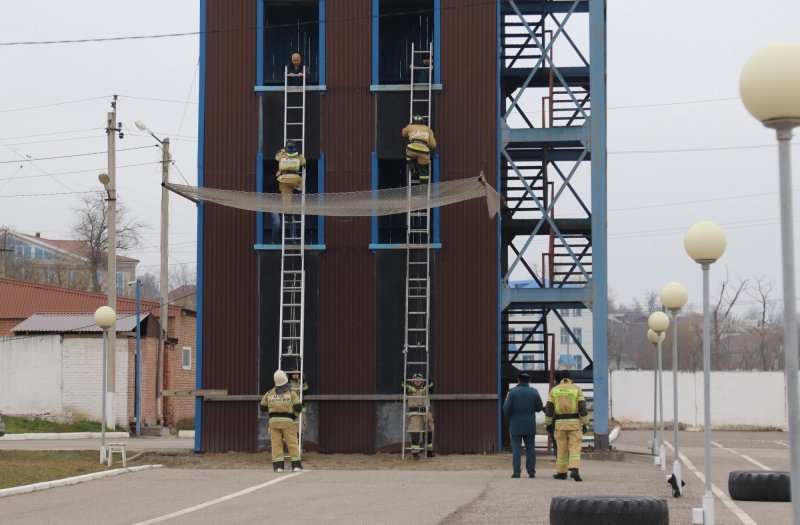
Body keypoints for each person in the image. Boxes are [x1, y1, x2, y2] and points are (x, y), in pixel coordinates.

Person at [544, 369, 590, 482]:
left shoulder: (554, 390)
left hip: (559, 424)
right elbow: (583, 408)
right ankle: (574, 469)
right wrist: (585, 424)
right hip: (574, 424)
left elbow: (549, 409)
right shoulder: (576, 389)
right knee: (575, 447)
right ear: (570, 378)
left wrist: (548, 423)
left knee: (561, 449)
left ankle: (561, 473)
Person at [260, 369, 303, 472]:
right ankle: (296, 466)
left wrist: (272, 411)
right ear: (285, 379)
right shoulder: (291, 392)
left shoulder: (269, 393)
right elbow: (298, 407)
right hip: (288, 422)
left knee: (276, 445)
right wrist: (294, 416)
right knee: (292, 443)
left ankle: (278, 467)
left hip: (273, 422)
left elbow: (262, 408)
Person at [503, 370, 544, 478]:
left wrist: (509, 419)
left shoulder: (511, 392)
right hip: (530, 425)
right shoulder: (534, 392)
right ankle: (531, 472)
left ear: (518, 380)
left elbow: (506, 409)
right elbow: (539, 408)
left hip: (515, 424)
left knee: (516, 448)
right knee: (530, 448)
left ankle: (516, 472)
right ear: (529, 380)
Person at [274, 140, 306, 242]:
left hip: (285, 179)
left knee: (286, 198)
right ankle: (297, 190)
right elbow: (304, 162)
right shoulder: (298, 156)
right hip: (297, 180)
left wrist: (281, 151)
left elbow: (276, 157)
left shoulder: (282, 155)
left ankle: (287, 214)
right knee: (297, 191)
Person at [403, 373, 435, 458]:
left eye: (419, 379)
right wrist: (404, 378)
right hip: (415, 414)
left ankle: (428, 451)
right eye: (415, 379)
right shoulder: (410, 389)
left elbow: (431, 386)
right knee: (415, 432)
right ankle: (415, 453)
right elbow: (403, 386)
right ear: (412, 381)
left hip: (426, 413)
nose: (417, 381)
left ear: (422, 380)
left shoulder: (425, 389)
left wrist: (429, 378)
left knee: (429, 431)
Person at [401, 115, 436, 183]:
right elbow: (433, 145)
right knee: (424, 170)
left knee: (409, 154)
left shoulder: (409, 127)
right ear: (423, 121)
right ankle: (424, 187)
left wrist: (408, 127)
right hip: (424, 152)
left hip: (412, 150)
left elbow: (403, 134)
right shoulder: (428, 129)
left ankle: (412, 167)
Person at [290, 371, 309, 437]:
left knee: (301, 428)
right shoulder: (289, 383)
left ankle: (300, 445)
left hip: (301, 406)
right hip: (291, 407)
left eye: (296, 373)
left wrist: (303, 381)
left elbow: (306, 389)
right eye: (293, 374)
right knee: (290, 428)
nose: (295, 375)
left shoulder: (301, 383)